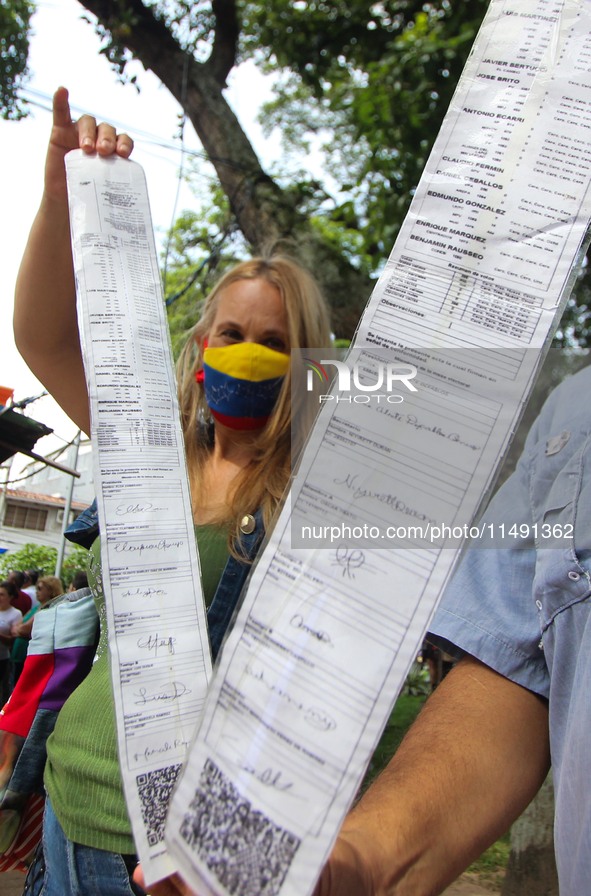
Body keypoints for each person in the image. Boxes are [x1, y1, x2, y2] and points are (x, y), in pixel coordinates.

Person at [13, 86, 332, 896]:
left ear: (306, 367)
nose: (251, 355)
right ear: (199, 347)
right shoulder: (143, 450)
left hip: (182, 851)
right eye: (233, 335)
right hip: (70, 806)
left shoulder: (310, 492)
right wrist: (60, 192)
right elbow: (43, 336)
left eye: (275, 343)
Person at [11, 575, 65, 683]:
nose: (36, 592)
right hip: (18, 655)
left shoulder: (47, 609)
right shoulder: (37, 607)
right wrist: (19, 629)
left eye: (40, 589)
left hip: (29, 656)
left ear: (50, 591)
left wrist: (20, 630)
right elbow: (15, 627)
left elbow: (23, 629)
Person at [0, 581, 23, 705]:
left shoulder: (15, 613)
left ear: (10, 597)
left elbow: (12, 640)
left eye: (2, 594)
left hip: (3, 657)